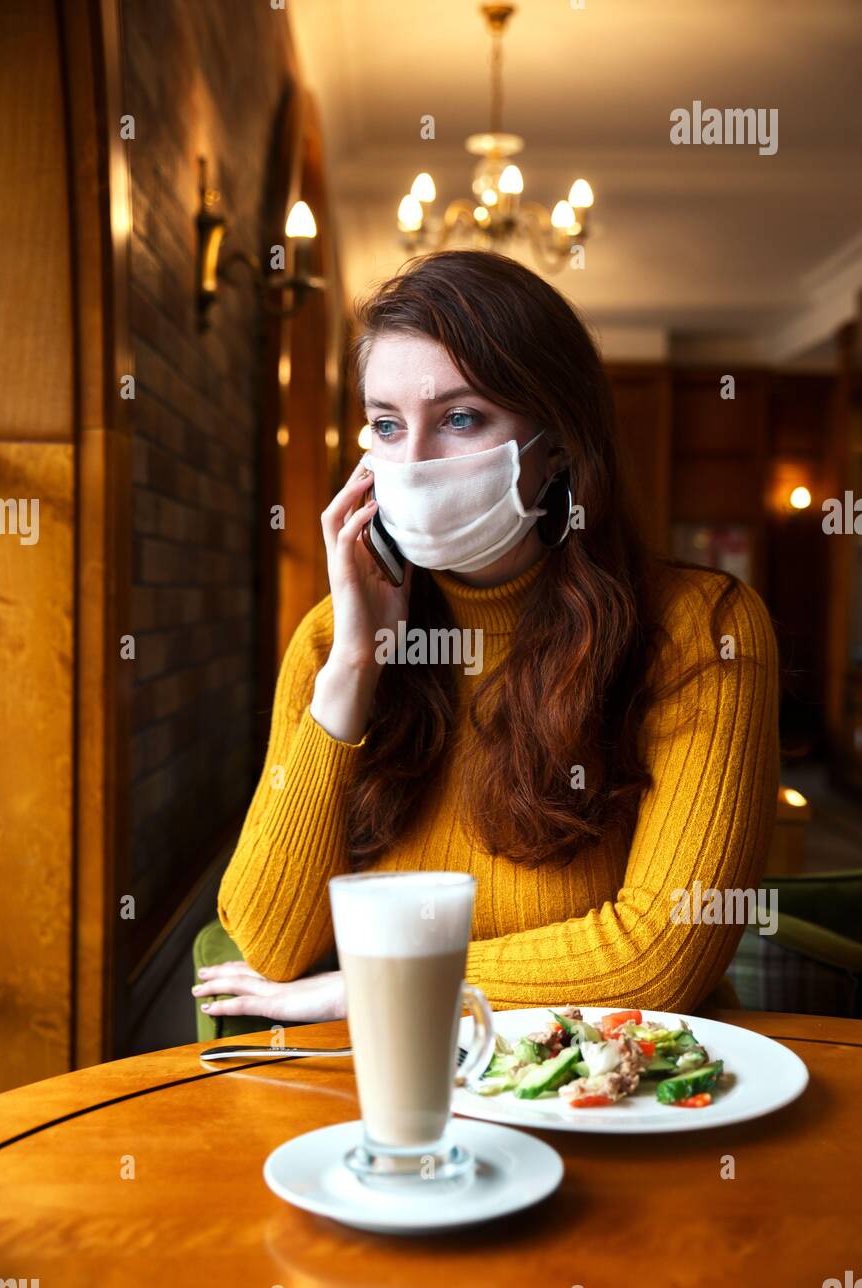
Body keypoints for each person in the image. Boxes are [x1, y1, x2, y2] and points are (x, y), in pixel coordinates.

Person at [193, 249, 779, 1027]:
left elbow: (660, 958)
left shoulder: (701, 630)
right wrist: (353, 671)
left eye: (461, 418)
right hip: (395, 1093)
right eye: (387, 426)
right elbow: (267, 946)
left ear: (559, 444)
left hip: (621, 1092)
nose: (412, 462)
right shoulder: (335, 638)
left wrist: (368, 984)